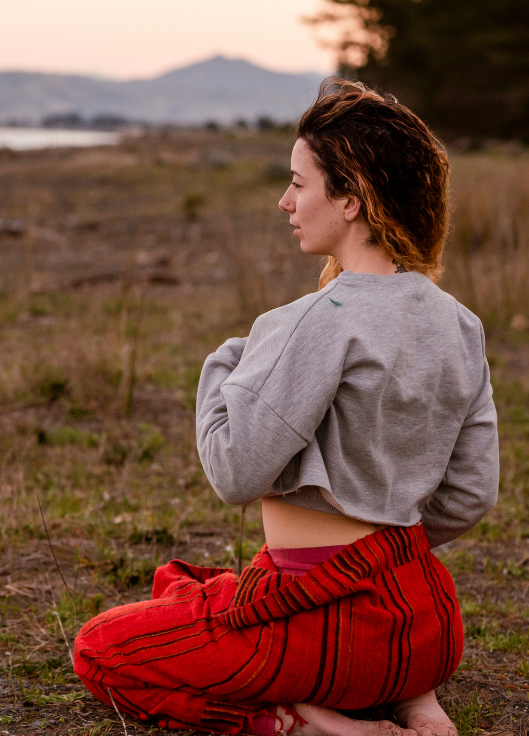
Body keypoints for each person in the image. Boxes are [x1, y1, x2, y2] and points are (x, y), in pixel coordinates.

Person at [73, 78, 499, 736]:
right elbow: (471, 495)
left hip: (329, 627)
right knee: (179, 584)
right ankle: (412, 694)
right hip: (427, 624)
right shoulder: (459, 324)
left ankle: (320, 724)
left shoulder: (318, 321)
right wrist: (382, 552)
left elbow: (234, 473)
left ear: (351, 199)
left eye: (299, 183)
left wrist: (224, 362)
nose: (286, 201)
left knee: (101, 649)